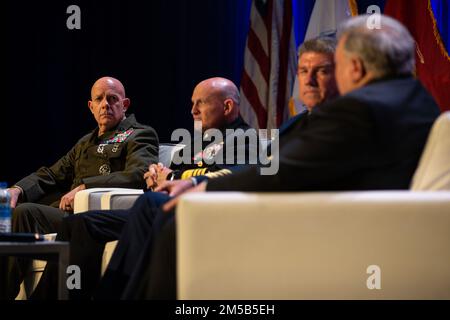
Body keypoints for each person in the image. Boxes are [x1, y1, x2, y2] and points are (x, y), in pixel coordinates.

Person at [126, 14, 442, 299]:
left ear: (355, 68)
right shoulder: (420, 101)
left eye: (335, 66)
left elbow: (279, 171)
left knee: (174, 215)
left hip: (325, 228)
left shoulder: (358, 109)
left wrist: (203, 189)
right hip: (364, 223)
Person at [90, 38, 341, 299]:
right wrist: (161, 176)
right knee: (94, 222)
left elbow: (261, 172)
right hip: (228, 203)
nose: (193, 111)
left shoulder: (333, 126)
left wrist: (185, 181)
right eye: (303, 71)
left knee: (158, 211)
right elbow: (259, 170)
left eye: (321, 71)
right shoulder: (294, 124)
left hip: (263, 212)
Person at [31, 77, 259, 299]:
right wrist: (154, 177)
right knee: (79, 223)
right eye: (192, 103)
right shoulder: (196, 143)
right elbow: (164, 173)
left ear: (227, 106)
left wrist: (173, 177)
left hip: (191, 212)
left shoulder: (245, 139)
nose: (193, 111)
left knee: (141, 208)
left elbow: (225, 177)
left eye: (201, 103)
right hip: (159, 207)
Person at [0, 76, 159, 300]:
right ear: (91, 106)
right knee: (19, 211)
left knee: (26, 212)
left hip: (98, 216)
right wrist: (17, 189)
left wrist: (86, 187)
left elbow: (136, 175)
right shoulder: (85, 142)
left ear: (124, 105)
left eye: (113, 99)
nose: (105, 104)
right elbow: (51, 174)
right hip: (68, 214)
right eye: (99, 99)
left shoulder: (139, 134)